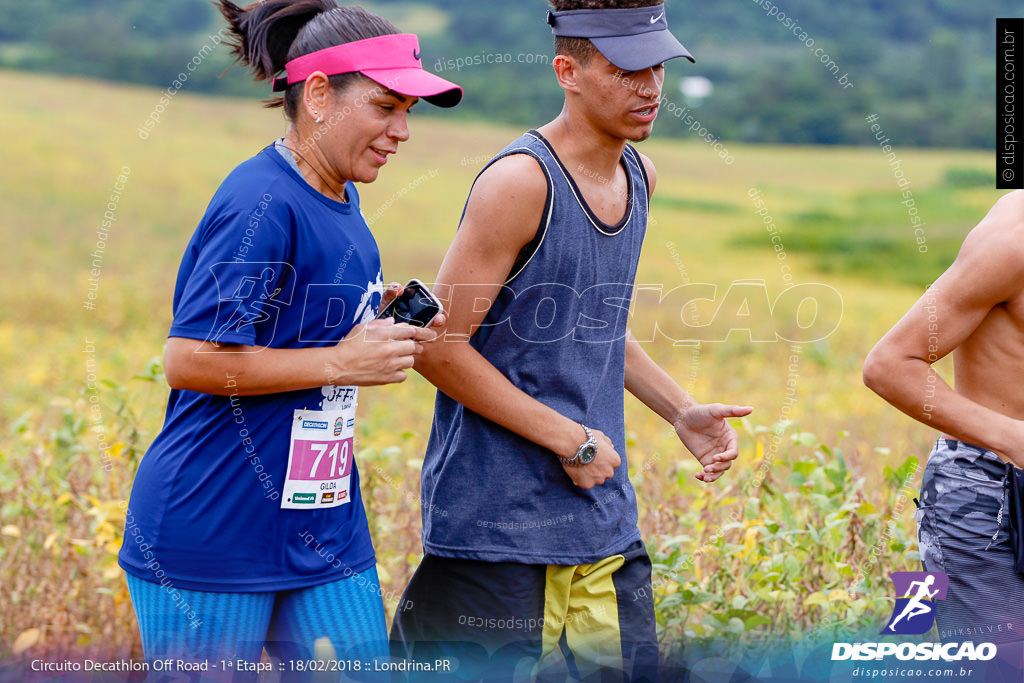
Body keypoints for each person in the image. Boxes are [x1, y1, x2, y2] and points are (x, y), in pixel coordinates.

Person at [389, 1, 752, 680]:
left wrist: (679, 409)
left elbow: (595, 325)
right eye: (626, 71)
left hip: (602, 526)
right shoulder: (519, 182)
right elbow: (436, 346)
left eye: (659, 69)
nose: (649, 88)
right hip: (497, 531)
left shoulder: (639, 175)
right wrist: (571, 438)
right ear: (569, 71)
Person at [116, 0, 461, 673]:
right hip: (215, 525)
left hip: (321, 521)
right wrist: (341, 357)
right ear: (321, 94)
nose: (402, 131)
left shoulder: (340, 194)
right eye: (386, 107)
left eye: (408, 113)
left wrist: (372, 311)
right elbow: (188, 360)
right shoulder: (260, 203)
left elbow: (287, 313)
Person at [864, 190, 1024, 670]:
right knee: (1002, 670)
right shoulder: (1011, 245)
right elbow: (890, 365)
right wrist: (1014, 438)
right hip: (988, 494)